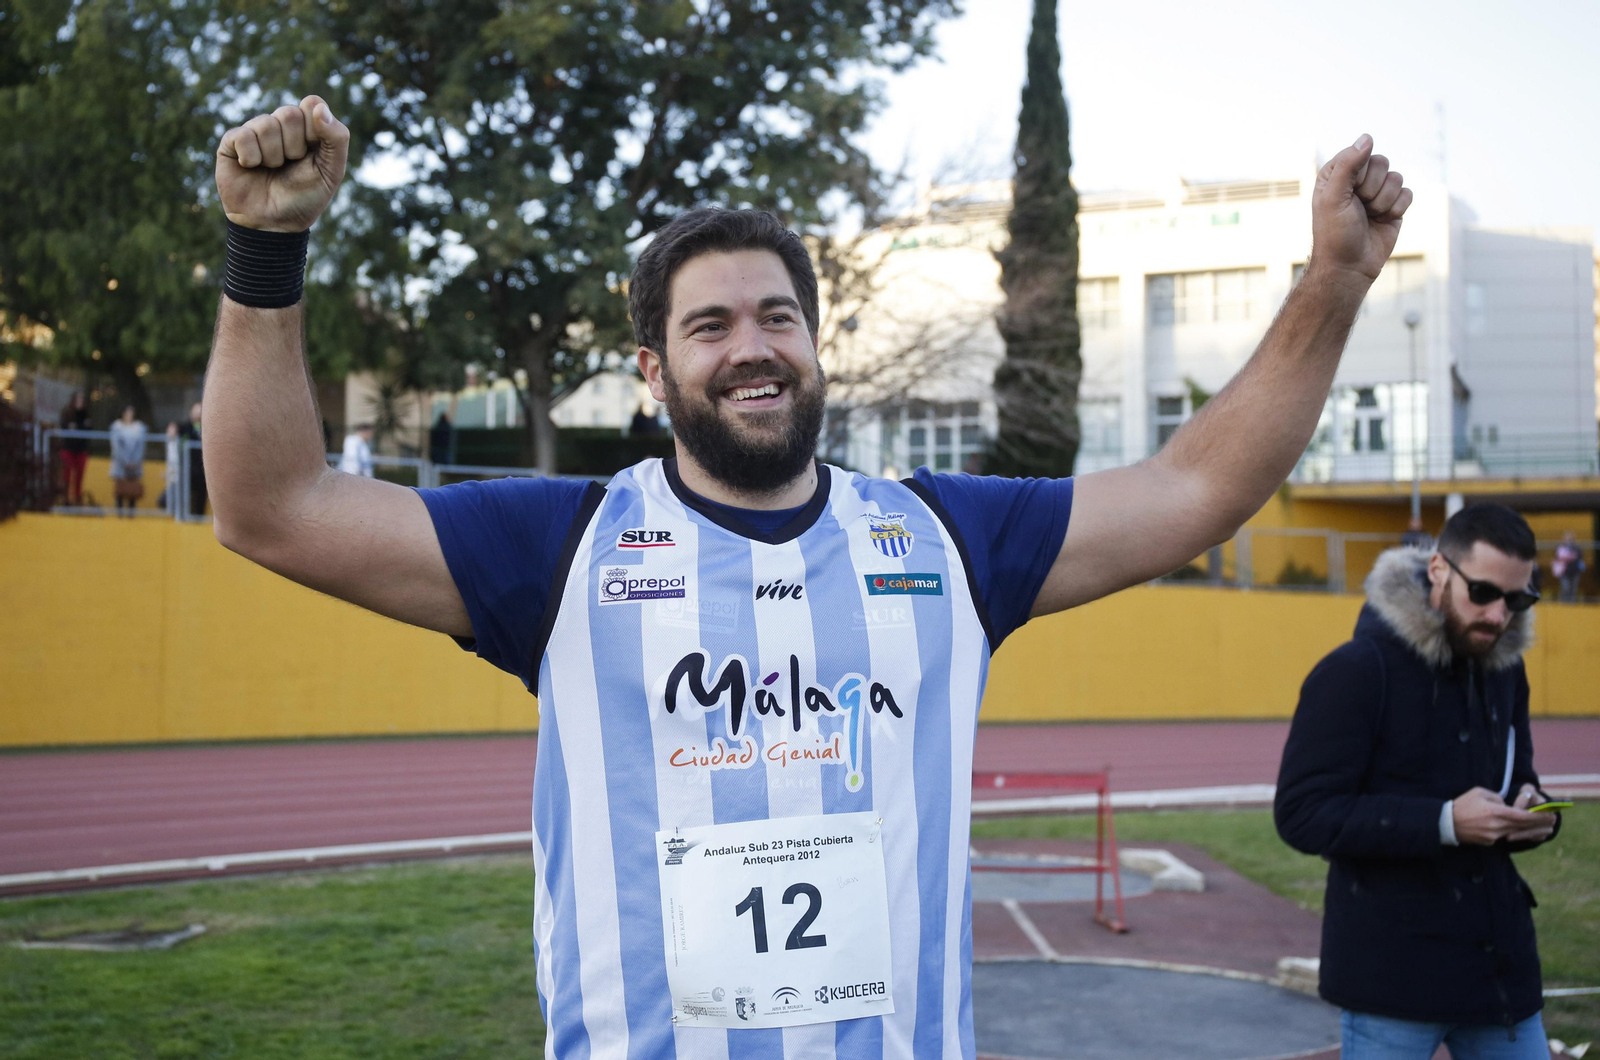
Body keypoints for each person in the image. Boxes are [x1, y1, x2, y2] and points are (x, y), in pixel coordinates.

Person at [204, 94, 1412, 1058]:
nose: (752, 348)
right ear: (650, 370)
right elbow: (276, 509)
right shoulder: (562, 544)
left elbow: (1198, 490)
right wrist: (265, 248)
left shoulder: (945, 540)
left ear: (816, 346)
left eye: (778, 317)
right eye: (710, 325)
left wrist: (1336, 280)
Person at [1275, 504, 1560, 1059]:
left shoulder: (1506, 668)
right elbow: (1302, 814)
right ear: (1437, 570)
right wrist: (1445, 823)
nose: (1499, 615)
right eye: (1482, 593)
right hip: (1392, 981)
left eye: (1518, 599)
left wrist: (1534, 812)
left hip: (1500, 975)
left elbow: (1519, 775)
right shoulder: (1355, 671)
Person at [109, 405, 148, 516]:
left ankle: (131, 514)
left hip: (135, 464)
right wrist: (124, 461)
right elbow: (116, 446)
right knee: (120, 489)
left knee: (132, 491)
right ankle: (120, 514)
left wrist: (134, 461)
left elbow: (141, 446)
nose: (129, 415)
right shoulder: (117, 427)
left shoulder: (139, 427)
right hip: (120, 465)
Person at [58, 390, 90, 506]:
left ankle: (77, 498)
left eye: (82, 400)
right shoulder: (67, 413)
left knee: (79, 475)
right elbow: (65, 427)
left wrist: (76, 427)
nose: (80, 402)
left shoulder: (85, 414)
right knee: (67, 474)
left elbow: (87, 428)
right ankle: (65, 497)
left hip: (81, 449)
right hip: (68, 448)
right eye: (78, 399)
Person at [177, 401, 207, 516]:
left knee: (201, 497)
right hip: (188, 469)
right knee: (186, 495)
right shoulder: (184, 427)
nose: (198, 414)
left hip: (203, 470)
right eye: (196, 411)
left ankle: (199, 518)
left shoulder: (207, 428)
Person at [1551, 531, 1584, 603]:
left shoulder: (1577, 548)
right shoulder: (1560, 548)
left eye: (1569, 538)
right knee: (1565, 588)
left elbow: (1580, 557)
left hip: (1574, 571)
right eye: (1566, 538)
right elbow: (1556, 558)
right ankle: (1563, 603)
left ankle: (1572, 603)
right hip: (1564, 571)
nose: (1567, 540)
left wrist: (1572, 556)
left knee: (1573, 588)